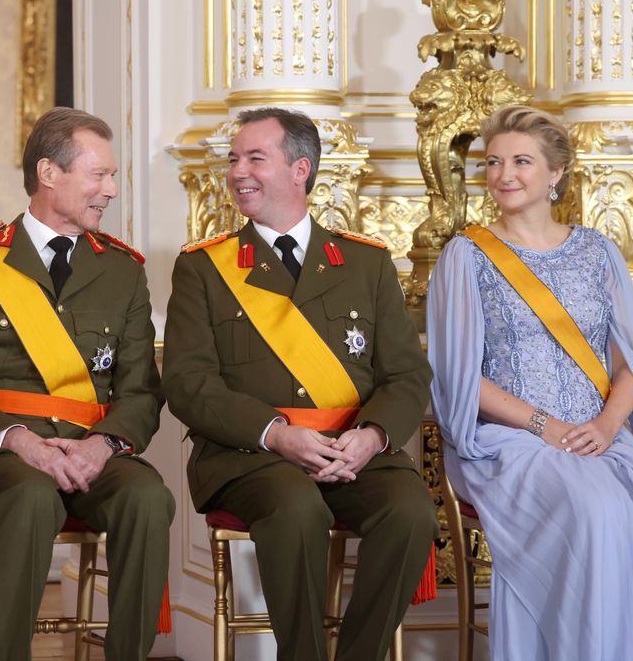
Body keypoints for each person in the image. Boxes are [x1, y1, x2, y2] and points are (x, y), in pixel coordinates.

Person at [162, 107, 437, 661]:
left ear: (299, 169)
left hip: (351, 449)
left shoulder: (365, 262)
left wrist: (373, 436)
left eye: (254, 158)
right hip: (251, 456)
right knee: (296, 507)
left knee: (411, 513)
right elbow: (188, 383)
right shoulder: (205, 267)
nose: (238, 171)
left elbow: (407, 375)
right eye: (234, 159)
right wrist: (276, 434)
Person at [0, 106, 174, 661]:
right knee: (32, 494)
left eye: (113, 176)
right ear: (48, 173)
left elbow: (140, 393)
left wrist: (102, 445)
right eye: (98, 174)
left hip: (90, 450)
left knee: (148, 497)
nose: (110, 190)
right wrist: (22, 442)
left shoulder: (123, 270)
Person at [428, 104, 633, 660]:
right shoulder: (466, 257)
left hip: (596, 434)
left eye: (521, 161)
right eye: (493, 162)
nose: (503, 175)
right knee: (598, 512)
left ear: (556, 172)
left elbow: (628, 363)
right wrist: (548, 427)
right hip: (508, 441)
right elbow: (461, 379)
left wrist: (608, 425)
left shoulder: (598, 252)